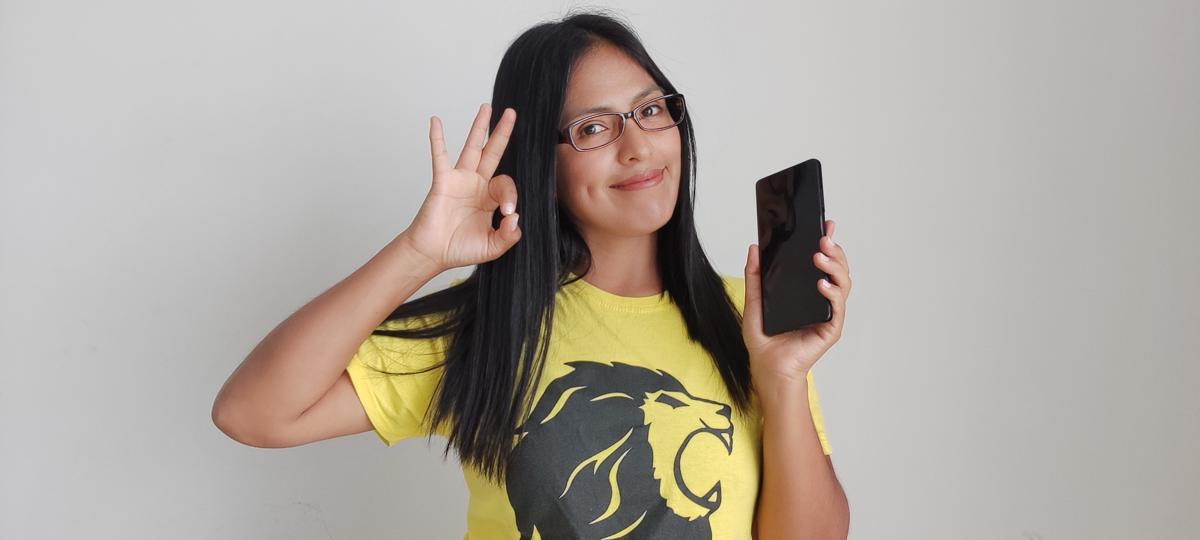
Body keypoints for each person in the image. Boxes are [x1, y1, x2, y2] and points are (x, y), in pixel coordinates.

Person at [212, 9, 852, 539]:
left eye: (651, 109)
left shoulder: (751, 322)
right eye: (592, 127)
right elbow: (252, 413)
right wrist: (419, 253)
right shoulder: (489, 330)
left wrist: (782, 378)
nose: (637, 146)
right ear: (540, 166)